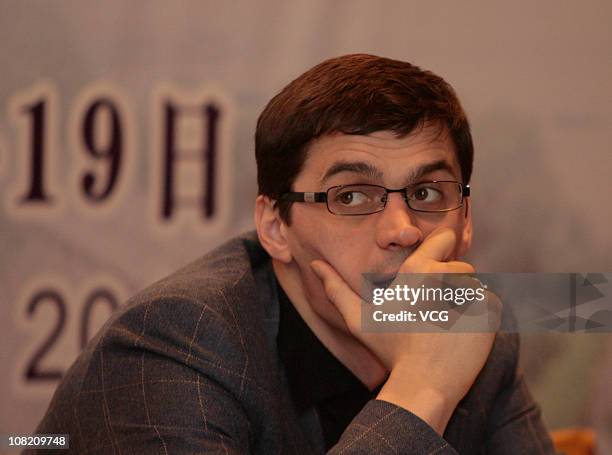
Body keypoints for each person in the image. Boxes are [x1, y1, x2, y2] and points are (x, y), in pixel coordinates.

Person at [29, 54, 556, 454]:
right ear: (275, 227)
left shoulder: (476, 329)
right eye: (350, 196)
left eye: (426, 194)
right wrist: (422, 391)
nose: (402, 230)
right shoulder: (177, 341)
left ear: (466, 220)